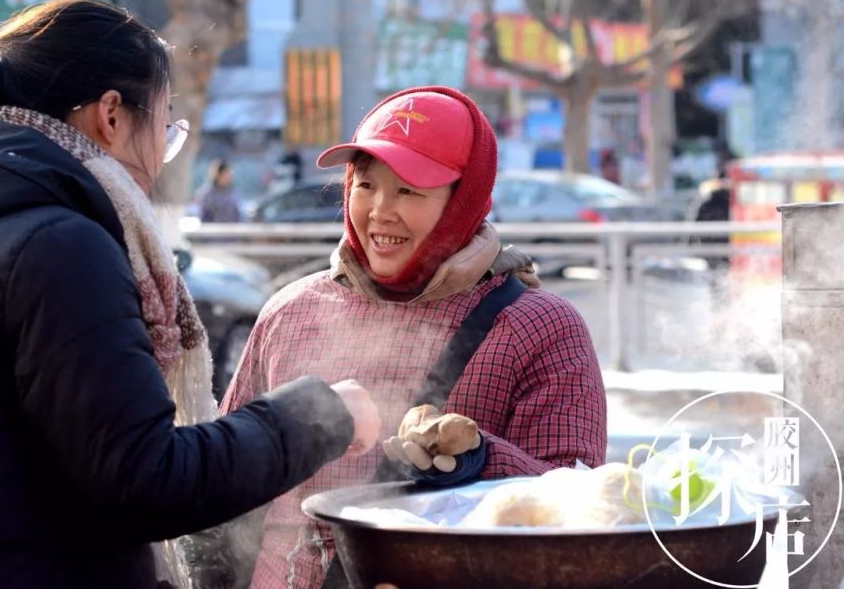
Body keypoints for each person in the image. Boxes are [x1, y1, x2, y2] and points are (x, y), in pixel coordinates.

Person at [0, 0, 382, 588]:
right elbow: (144, 480)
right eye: (165, 122)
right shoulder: (59, 242)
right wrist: (319, 416)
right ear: (112, 115)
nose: (162, 152)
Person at [221, 86, 608, 588]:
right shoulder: (290, 312)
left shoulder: (540, 327)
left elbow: (582, 514)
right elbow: (225, 482)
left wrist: (477, 460)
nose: (381, 211)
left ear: (463, 199)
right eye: (365, 185)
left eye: (409, 190)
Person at [196, 158, 242, 222]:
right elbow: (204, 215)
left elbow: (237, 213)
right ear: (218, 175)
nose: (228, 177)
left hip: (231, 229)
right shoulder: (207, 193)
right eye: (225, 174)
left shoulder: (232, 192)